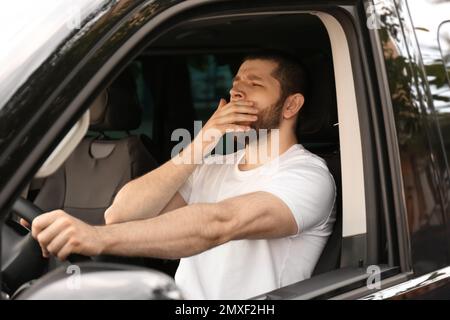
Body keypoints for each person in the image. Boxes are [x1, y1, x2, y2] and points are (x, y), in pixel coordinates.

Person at [30, 51, 336, 299]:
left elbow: (219, 224)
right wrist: (204, 139)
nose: (236, 90)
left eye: (254, 83)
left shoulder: (307, 174)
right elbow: (121, 214)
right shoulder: (213, 163)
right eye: (235, 82)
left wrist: (95, 238)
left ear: (291, 105)